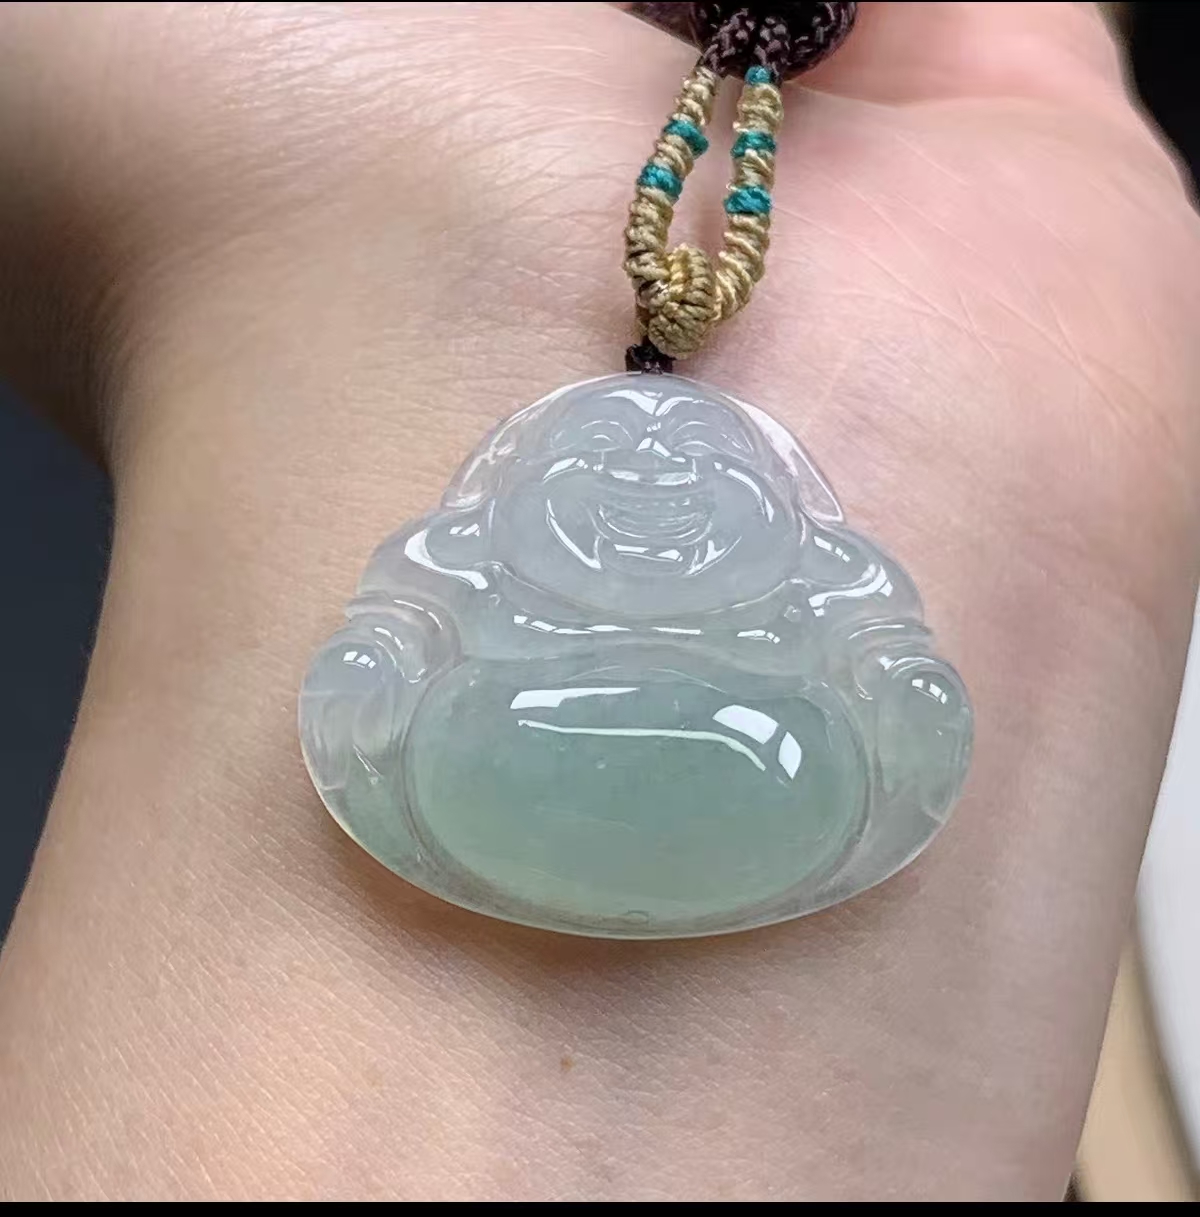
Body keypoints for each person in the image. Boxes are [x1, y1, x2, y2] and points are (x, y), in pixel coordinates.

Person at [0, 2, 1196, 1200]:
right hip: (517, 734)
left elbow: (882, 646)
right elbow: (403, 624)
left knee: (804, 735)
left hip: (752, 750)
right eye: (606, 464)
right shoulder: (484, 564)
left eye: (697, 468)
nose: (651, 478)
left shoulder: (802, 580)